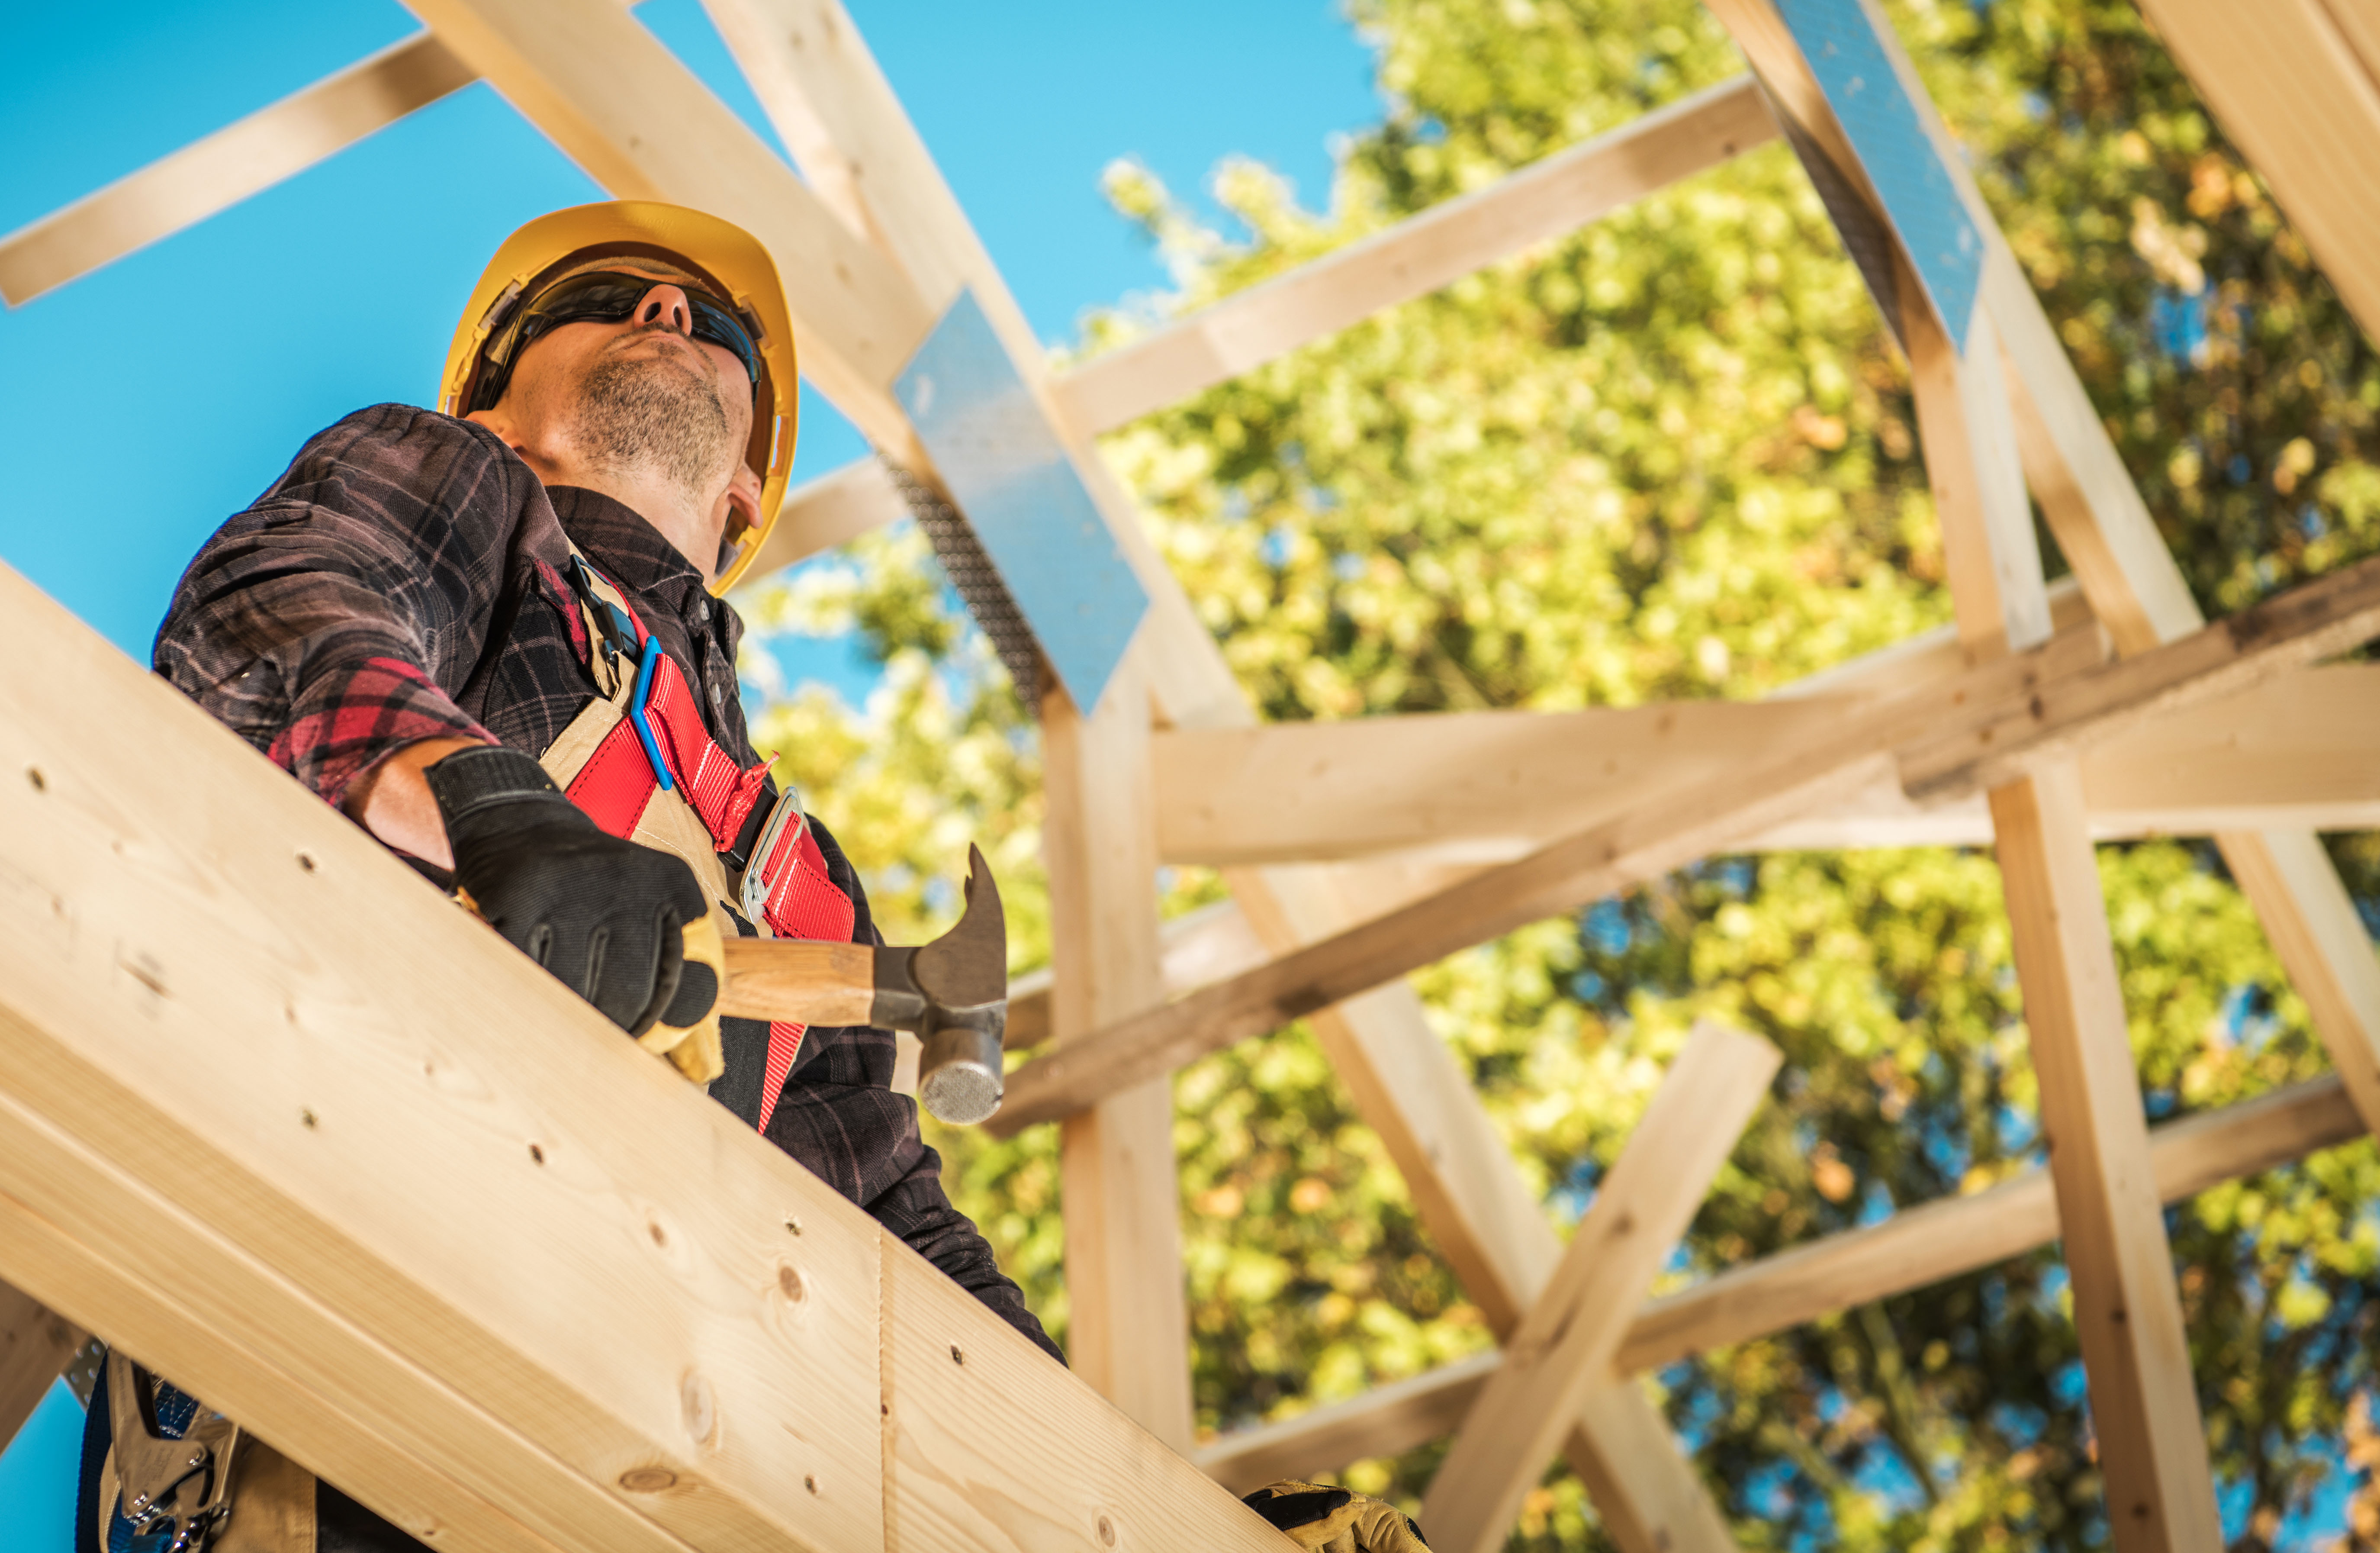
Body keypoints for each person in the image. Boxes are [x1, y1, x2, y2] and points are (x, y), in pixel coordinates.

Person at [78, 200, 1058, 1553]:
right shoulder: (458, 486)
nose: (666, 311)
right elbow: (288, 602)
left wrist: (1139, 1507)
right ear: (494, 400)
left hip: (645, 1474)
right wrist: (481, 799)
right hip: (352, 1374)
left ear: (747, 494)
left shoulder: (799, 878)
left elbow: (887, 1223)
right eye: (598, 297)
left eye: (714, 328)